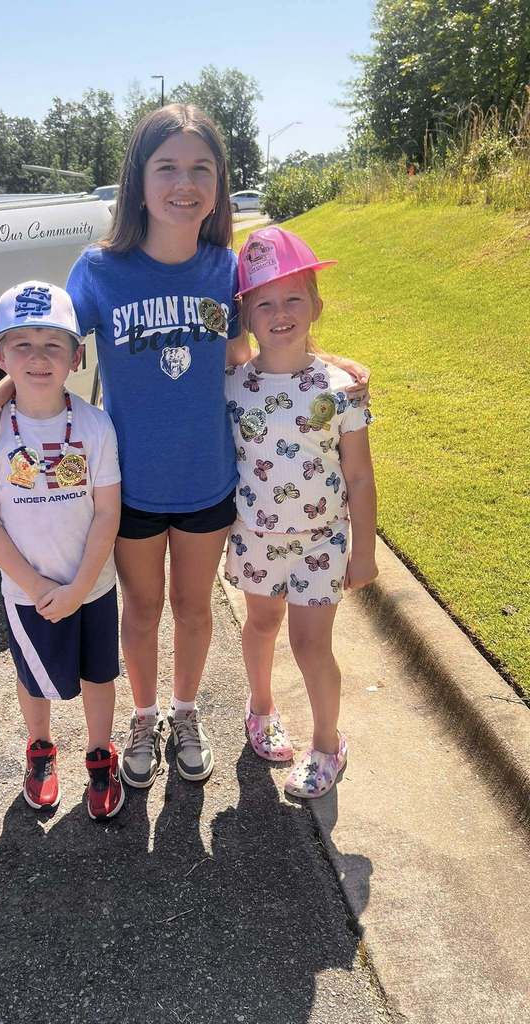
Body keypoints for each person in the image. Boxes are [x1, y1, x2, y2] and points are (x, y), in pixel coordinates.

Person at [0, 105, 370, 792]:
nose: (185, 183)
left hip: (208, 479)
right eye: (168, 167)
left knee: (194, 608)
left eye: (201, 168)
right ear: (138, 180)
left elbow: (255, 350)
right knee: (143, 610)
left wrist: (325, 366)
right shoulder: (100, 270)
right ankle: (143, 717)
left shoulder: (225, 269)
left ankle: (185, 713)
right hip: (129, 485)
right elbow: (46, 349)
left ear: (220, 181)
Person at [0, 281, 124, 820]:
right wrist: (36, 586)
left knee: (99, 674)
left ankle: (99, 755)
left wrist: (80, 587)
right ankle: (39, 749)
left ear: (77, 357)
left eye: (54, 344)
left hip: (92, 585)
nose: (38, 357)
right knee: (33, 677)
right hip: (27, 591)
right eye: (23, 344)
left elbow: (107, 512)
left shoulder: (96, 426)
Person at [224, 226, 378, 798]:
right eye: (264, 303)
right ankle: (260, 708)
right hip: (255, 537)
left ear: (316, 305)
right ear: (246, 315)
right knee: (262, 624)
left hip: (321, 541)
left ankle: (327, 744)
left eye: (294, 298)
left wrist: (364, 552)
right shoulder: (232, 386)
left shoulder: (341, 390)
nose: (280, 313)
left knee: (312, 645)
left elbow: (359, 477)